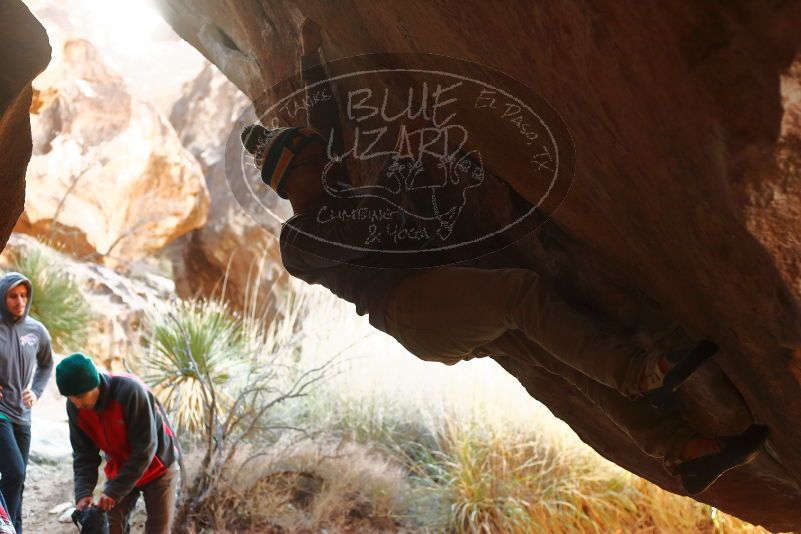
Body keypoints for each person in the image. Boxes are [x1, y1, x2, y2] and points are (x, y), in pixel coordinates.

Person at [240, 18, 769, 495]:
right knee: (519, 294)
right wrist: (407, 162)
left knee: (567, 358)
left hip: (445, 293)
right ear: (293, 178)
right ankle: (642, 373)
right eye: (312, 157)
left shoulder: (325, 186)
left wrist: (311, 54)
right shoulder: (300, 242)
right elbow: (363, 223)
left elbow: (326, 122)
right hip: (412, 309)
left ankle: (683, 452)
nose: (325, 156)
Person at [56, 353, 178, 534]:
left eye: (80, 396)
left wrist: (114, 491)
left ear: (95, 383)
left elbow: (145, 449)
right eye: (71, 398)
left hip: (157, 466)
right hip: (121, 465)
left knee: (158, 530)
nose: (77, 404)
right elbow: (84, 455)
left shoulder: (130, 392)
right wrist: (83, 493)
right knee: (111, 527)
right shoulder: (75, 406)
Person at [0, 272, 53, 533]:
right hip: (0, 414)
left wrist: (37, 391)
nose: (19, 301)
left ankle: (14, 528)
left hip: (24, 416)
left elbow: (47, 364)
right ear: (3, 297)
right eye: (13, 296)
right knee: (14, 473)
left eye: (23, 295)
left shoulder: (37, 330)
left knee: (18, 481)